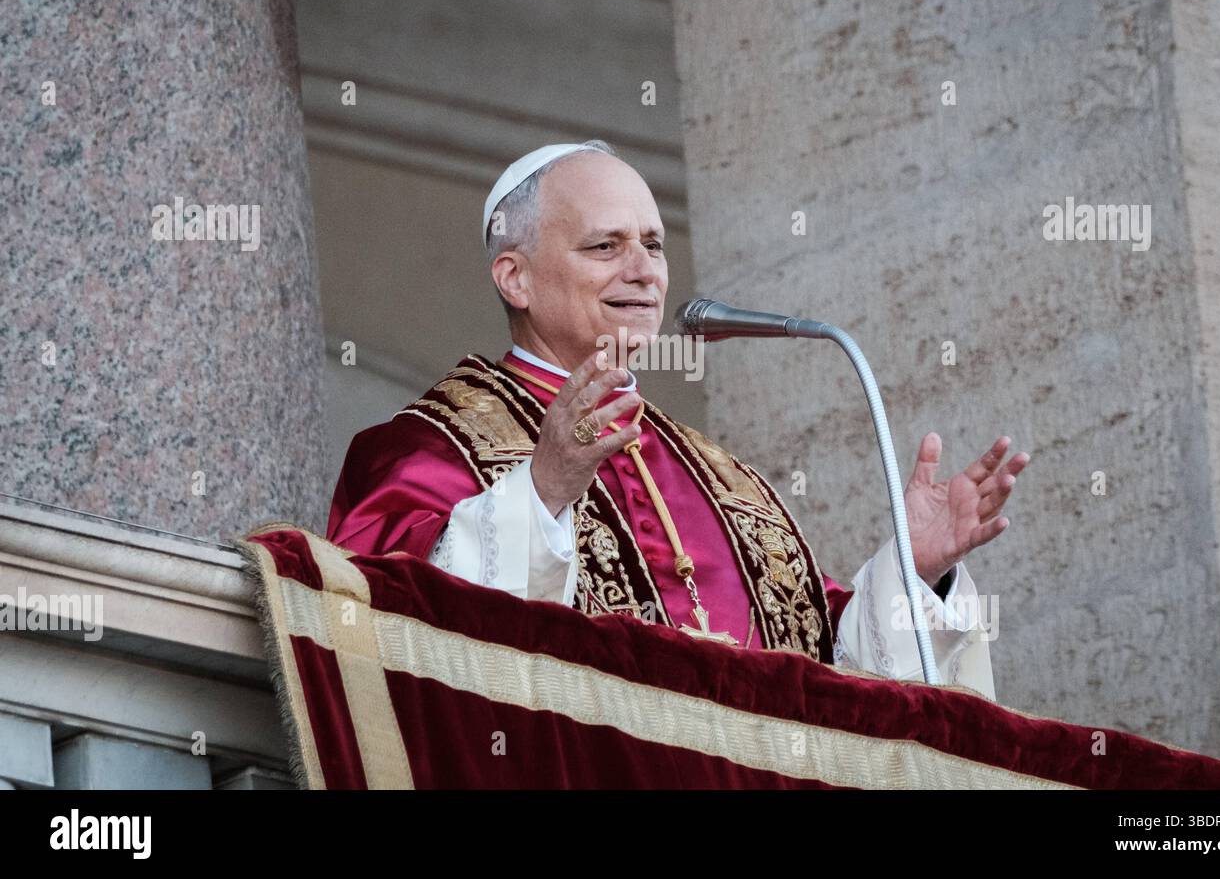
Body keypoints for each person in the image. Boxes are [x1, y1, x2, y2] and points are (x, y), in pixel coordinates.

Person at [327, 141, 1030, 701]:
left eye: (654, 245)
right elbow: (391, 635)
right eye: (605, 246)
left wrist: (915, 574)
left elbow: (829, 673)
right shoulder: (420, 450)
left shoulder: (722, 478)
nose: (643, 271)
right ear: (516, 277)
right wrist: (542, 492)